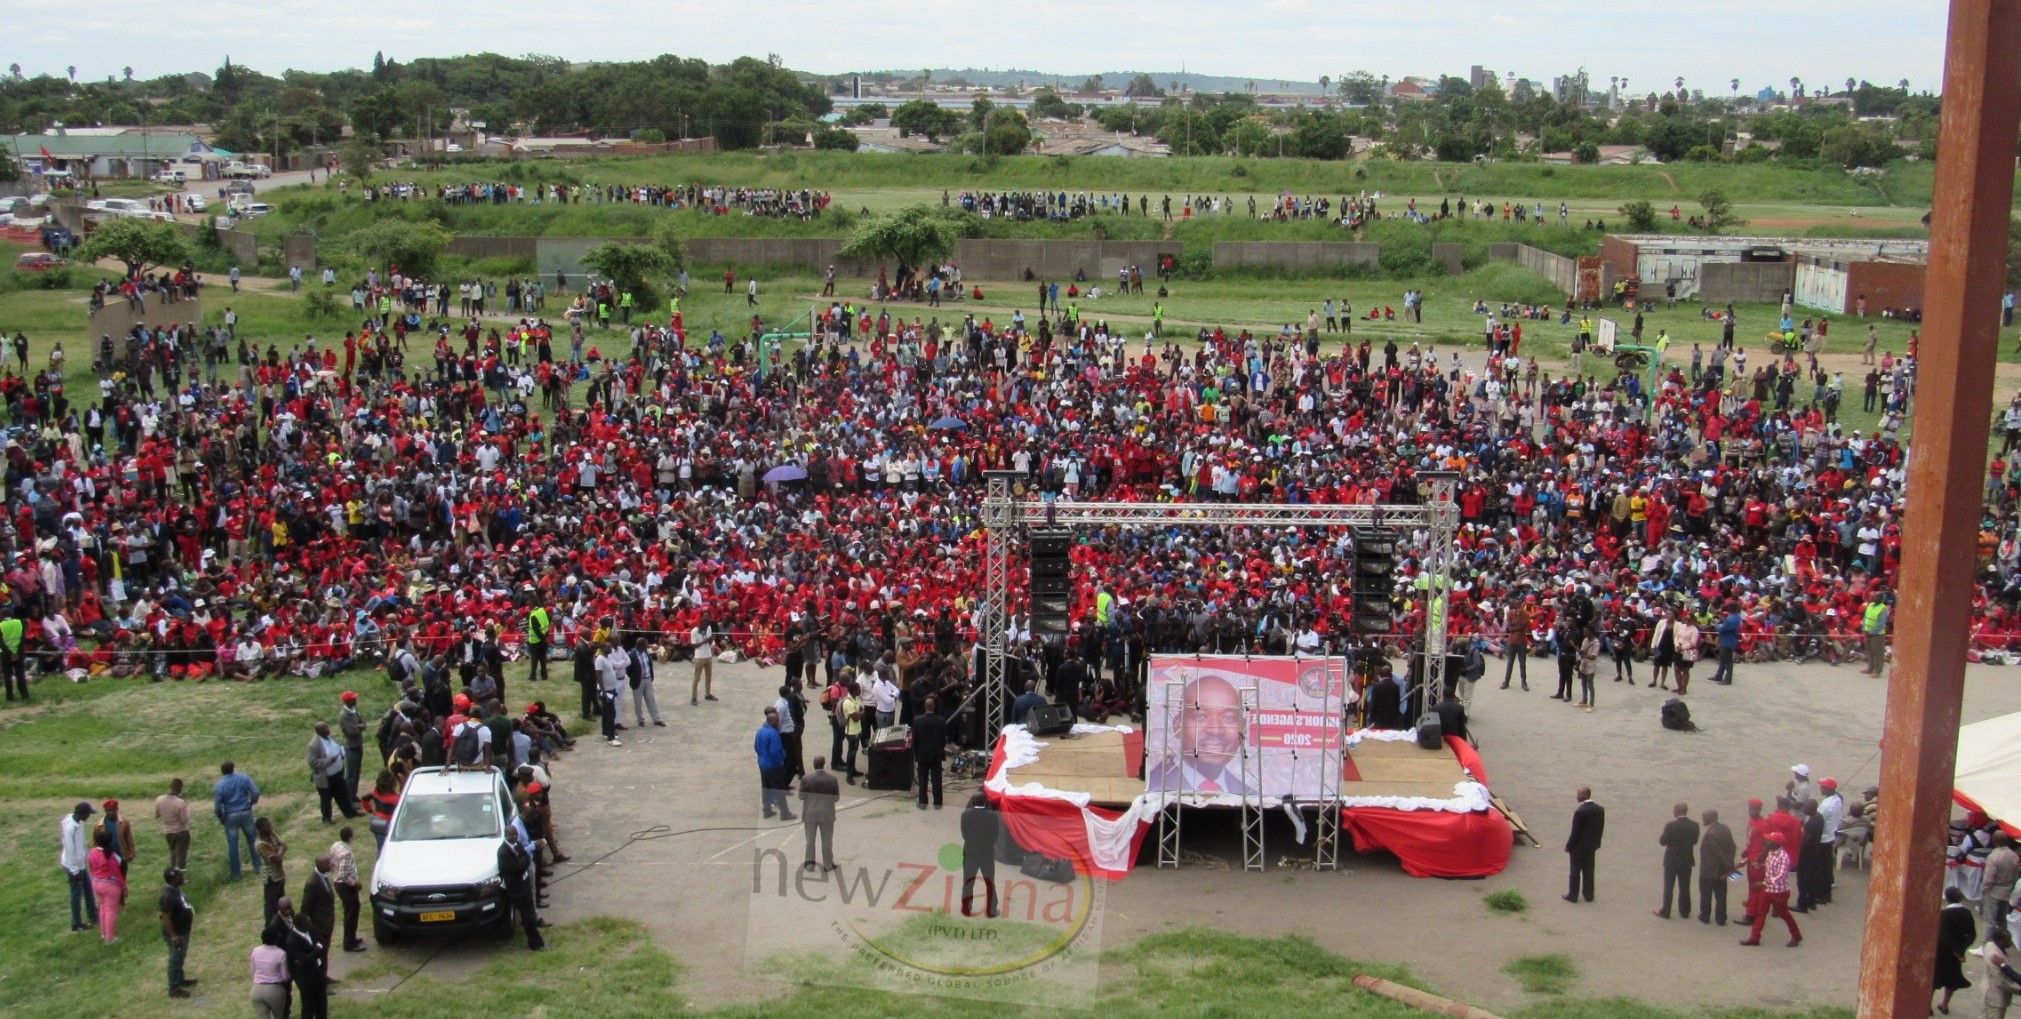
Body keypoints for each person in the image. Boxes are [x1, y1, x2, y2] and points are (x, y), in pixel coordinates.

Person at [1146, 674, 1248, 795]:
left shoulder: (1248, 794)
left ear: (1243, 729)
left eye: (1228, 718)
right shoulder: (1157, 788)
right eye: (1201, 717)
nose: (1215, 730)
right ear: (1177, 726)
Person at [266, 896, 327, 1019]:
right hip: (288, 959)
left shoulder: (295, 916)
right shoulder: (275, 924)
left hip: (301, 955)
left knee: (309, 991)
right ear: (279, 909)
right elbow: (275, 944)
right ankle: (285, 1014)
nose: (288, 911)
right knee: (287, 988)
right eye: (285, 909)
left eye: (289, 908)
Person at [1740, 831, 1802, 947]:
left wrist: (1763, 883)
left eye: (1769, 840)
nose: (1766, 841)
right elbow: (1769, 866)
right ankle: (1755, 937)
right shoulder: (1771, 852)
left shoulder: (1783, 857)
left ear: (1776, 843)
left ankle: (1796, 935)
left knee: (1784, 914)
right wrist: (1760, 866)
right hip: (1768, 889)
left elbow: (1781, 876)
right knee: (1761, 912)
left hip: (1779, 892)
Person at [497, 826, 547, 950]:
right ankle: (536, 943)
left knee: (529, 914)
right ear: (506, 835)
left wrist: (523, 862)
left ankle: (535, 940)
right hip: (516, 889)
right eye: (512, 835)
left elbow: (526, 857)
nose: (514, 837)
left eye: (516, 834)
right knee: (527, 916)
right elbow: (516, 868)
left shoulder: (517, 844)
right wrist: (523, 862)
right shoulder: (503, 852)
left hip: (524, 884)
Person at [306, 723, 359, 823]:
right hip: (326, 777)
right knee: (326, 799)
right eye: (324, 729)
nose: (327, 730)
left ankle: (350, 813)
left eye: (327, 727)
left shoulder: (331, 737)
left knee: (343, 794)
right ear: (318, 732)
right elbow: (312, 762)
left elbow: (337, 747)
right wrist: (329, 760)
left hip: (338, 773)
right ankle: (327, 818)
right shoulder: (313, 745)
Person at [1936, 886, 1977, 1013]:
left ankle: (1927, 1006)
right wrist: (1961, 947)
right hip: (1958, 952)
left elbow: (1942, 935)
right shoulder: (1966, 913)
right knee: (1952, 977)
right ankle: (1945, 1004)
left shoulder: (1944, 914)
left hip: (1942, 951)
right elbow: (1972, 934)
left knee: (1935, 977)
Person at [959, 792, 1000, 918]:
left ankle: (966, 908)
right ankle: (991, 910)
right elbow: (995, 836)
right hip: (986, 854)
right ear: (986, 801)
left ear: (972, 801)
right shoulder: (992, 816)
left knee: (968, 881)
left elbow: (964, 834)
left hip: (970, 853)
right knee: (989, 882)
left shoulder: (965, 815)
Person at [61, 801, 101, 932]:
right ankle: (76, 923)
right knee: (77, 894)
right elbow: (70, 849)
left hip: (81, 864)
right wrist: (74, 870)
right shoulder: (71, 828)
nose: (88, 816)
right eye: (88, 814)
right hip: (75, 867)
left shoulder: (78, 822)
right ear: (81, 814)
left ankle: (93, 914)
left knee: (88, 889)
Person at [1655, 802, 1699, 920]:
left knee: (1669, 886)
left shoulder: (1670, 825)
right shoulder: (1694, 825)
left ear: (1676, 811)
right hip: (1686, 860)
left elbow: (1662, 841)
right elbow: (1694, 841)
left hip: (1671, 860)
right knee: (1685, 886)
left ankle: (1666, 910)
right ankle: (1685, 911)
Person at [159, 866, 196, 998]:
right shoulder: (168, 896)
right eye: (180, 875)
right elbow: (166, 919)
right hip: (177, 934)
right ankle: (174, 988)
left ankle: (180, 979)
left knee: (180, 957)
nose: (183, 877)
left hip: (183, 931)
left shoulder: (175, 890)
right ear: (174, 879)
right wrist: (174, 937)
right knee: (175, 959)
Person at [300, 854, 337, 984]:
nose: (330, 865)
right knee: (319, 954)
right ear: (319, 865)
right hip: (318, 926)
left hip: (326, 924)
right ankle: (320, 982)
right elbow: (305, 907)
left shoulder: (323, 877)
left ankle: (324, 977)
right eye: (327, 863)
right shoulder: (313, 883)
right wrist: (310, 927)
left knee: (325, 952)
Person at [1696, 808, 1737, 925]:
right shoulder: (1725, 829)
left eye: (1704, 817)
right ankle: (1721, 918)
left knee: (1706, 893)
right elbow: (1732, 847)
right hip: (1723, 871)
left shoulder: (1710, 834)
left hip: (1709, 870)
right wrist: (1730, 863)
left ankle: (1705, 915)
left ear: (1711, 818)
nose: (1703, 819)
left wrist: (1726, 863)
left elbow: (1718, 854)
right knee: (1721, 894)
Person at [800, 755, 840, 872]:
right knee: (827, 840)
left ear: (814, 764)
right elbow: (836, 798)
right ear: (824, 764)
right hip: (827, 814)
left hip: (810, 813)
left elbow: (801, 796)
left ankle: (809, 865)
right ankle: (828, 864)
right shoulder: (832, 779)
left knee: (810, 840)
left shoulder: (806, 778)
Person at [1564, 786, 1604, 904]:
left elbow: (1575, 832)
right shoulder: (1600, 809)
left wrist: (1568, 845)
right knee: (1589, 870)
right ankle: (1589, 894)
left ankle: (1573, 895)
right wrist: (1597, 843)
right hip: (1592, 845)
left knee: (1575, 871)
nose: (1577, 796)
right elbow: (1600, 828)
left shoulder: (1580, 812)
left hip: (1578, 847)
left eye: (1579, 794)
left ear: (1585, 795)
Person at [88, 827, 126, 942]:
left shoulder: (92, 852)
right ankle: (110, 937)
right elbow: (117, 873)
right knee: (111, 910)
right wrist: (123, 885)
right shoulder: (111, 856)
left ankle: (104, 933)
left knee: (103, 908)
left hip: (96, 882)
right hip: (110, 885)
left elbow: (91, 866)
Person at [330, 828, 366, 952]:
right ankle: (349, 942)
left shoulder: (336, 845)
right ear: (350, 837)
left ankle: (352, 938)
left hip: (338, 882)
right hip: (346, 886)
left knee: (351, 912)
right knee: (351, 914)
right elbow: (343, 875)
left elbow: (332, 863)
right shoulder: (346, 853)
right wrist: (355, 884)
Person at [756, 707, 795, 820]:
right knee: (779, 789)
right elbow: (776, 751)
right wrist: (782, 760)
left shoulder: (760, 730)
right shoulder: (773, 734)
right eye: (777, 721)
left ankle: (766, 810)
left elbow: (756, 747)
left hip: (763, 764)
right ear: (771, 722)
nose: (779, 722)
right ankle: (785, 813)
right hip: (773, 765)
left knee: (766, 787)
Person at [913, 694, 949, 809]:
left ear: (925, 706)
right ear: (934, 707)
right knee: (937, 779)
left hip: (922, 754)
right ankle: (938, 803)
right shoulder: (941, 721)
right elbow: (944, 739)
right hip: (936, 754)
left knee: (922, 779)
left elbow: (915, 739)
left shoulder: (917, 720)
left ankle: (923, 803)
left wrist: (916, 752)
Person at [249, 927, 291, 1019]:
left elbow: (253, 971)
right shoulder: (280, 953)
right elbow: (285, 976)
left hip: (257, 989)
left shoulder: (255, 950)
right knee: (279, 1016)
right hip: (274, 989)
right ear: (276, 939)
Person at [155, 778, 192, 873]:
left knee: (173, 853)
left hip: (168, 832)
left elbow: (157, 815)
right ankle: (179, 876)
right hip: (181, 832)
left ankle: (172, 874)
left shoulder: (159, 799)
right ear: (180, 789)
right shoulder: (181, 803)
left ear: (170, 786)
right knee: (181, 855)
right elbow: (185, 820)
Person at [256, 817, 288, 925]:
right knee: (271, 903)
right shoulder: (260, 844)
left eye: (270, 825)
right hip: (271, 876)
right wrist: (280, 850)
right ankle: (269, 924)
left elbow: (284, 845)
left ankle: (282, 921)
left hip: (279, 873)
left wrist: (279, 850)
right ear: (260, 829)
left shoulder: (272, 834)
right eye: (267, 827)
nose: (270, 828)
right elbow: (277, 858)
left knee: (281, 898)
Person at [1983, 927, 2021, 1019]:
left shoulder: (1990, 945)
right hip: (1997, 999)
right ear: (2000, 941)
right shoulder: (1994, 956)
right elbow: (2000, 981)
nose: (2011, 942)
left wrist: (2003, 965)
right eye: (2008, 940)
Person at [338, 691, 367, 803]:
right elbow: (352, 731)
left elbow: (363, 723)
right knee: (351, 774)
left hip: (358, 744)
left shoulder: (353, 711)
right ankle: (349, 798)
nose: (356, 700)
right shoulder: (344, 716)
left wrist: (359, 726)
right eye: (354, 698)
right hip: (352, 747)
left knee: (356, 772)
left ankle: (353, 794)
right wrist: (359, 726)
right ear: (348, 701)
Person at [1987, 832, 2020, 932]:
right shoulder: (2014, 856)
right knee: (2001, 916)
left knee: (1993, 918)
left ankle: (1994, 938)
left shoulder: (1994, 856)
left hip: (1996, 891)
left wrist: (1984, 889)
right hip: (2007, 889)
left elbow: (1989, 877)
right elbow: (2015, 874)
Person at [690, 619, 717, 704]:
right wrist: (703, 642)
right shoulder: (694, 631)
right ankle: (694, 697)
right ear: (701, 624)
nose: (706, 628)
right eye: (704, 626)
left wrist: (711, 640)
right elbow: (694, 645)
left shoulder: (708, 628)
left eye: (707, 626)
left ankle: (707, 694)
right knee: (697, 678)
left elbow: (709, 642)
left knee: (709, 676)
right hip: (699, 657)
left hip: (708, 655)